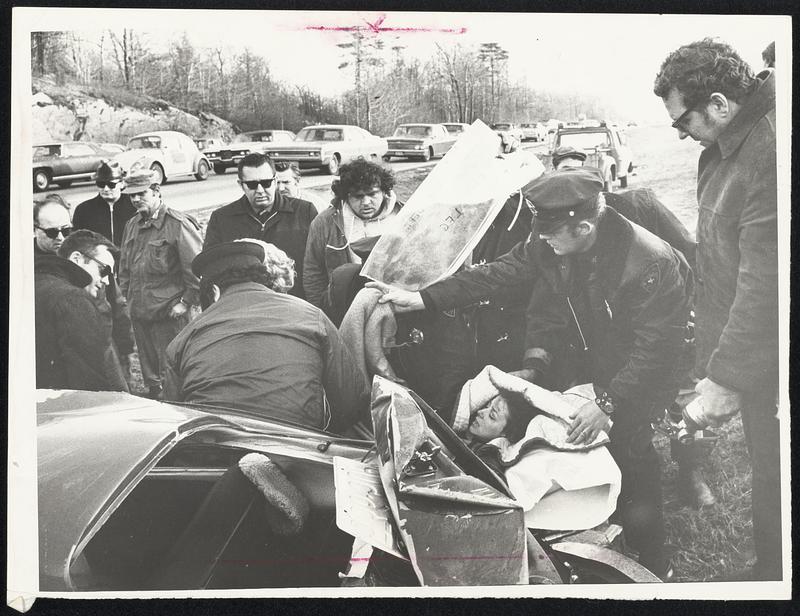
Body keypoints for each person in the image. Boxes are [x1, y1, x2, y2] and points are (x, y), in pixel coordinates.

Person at [371, 168, 693, 579]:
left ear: (583, 226)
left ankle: (653, 562)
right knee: (583, 446)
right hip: (591, 356)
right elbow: (498, 273)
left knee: (633, 450)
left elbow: (656, 350)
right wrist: (423, 299)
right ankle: (596, 527)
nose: (542, 239)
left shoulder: (650, 263)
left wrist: (609, 402)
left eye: (550, 233)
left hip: (643, 368)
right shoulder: (555, 241)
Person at [654, 38, 780, 581]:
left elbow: (767, 282)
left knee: (780, 471)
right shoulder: (733, 145)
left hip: (773, 359)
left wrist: (727, 378)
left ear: (721, 104)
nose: (680, 133)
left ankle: (776, 577)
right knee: (770, 467)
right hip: (755, 357)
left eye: (683, 119)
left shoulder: (770, 149)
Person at [164, 240, 369, 434]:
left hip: (218, 449)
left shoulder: (182, 340)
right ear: (266, 280)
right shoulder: (311, 315)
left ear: (214, 291)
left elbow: (175, 417)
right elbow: (351, 400)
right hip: (302, 444)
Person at [118, 169, 202, 400]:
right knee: (150, 374)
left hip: (170, 314)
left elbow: (196, 270)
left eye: (141, 194)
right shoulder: (132, 225)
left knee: (174, 371)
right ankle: (156, 403)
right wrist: (125, 297)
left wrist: (185, 303)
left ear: (156, 191)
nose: (135, 200)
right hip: (140, 311)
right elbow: (124, 267)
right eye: (131, 195)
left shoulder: (178, 224)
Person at [203, 152, 317, 299]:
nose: (260, 190)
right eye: (251, 185)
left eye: (266, 183)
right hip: (244, 306)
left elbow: (318, 266)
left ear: (275, 181)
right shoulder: (222, 219)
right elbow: (211, 270)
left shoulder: (304, 211)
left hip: (294, 301)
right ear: (241, 184)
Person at [303, 158, 403, 318]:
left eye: (372, 194)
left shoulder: (404, 216)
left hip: (396, 305)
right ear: (345, 196)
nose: (365, 202)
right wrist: (319, 315)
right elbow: (313, 271)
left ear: (385, 191)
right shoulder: (325, 222)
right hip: (344, 307)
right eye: (357, 196)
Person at [35, 229, 128, 392]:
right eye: (104, 270)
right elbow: (94, 381)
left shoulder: (36, 282)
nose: (107, 281)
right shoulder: (73, 299)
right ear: (76, 258)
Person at [72, 160, 137, 247]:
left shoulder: (135, 205)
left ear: (122, 184)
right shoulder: (83, 210)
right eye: (101, 184)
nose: (106, 189)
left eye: (111, 184)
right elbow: (77, 242)